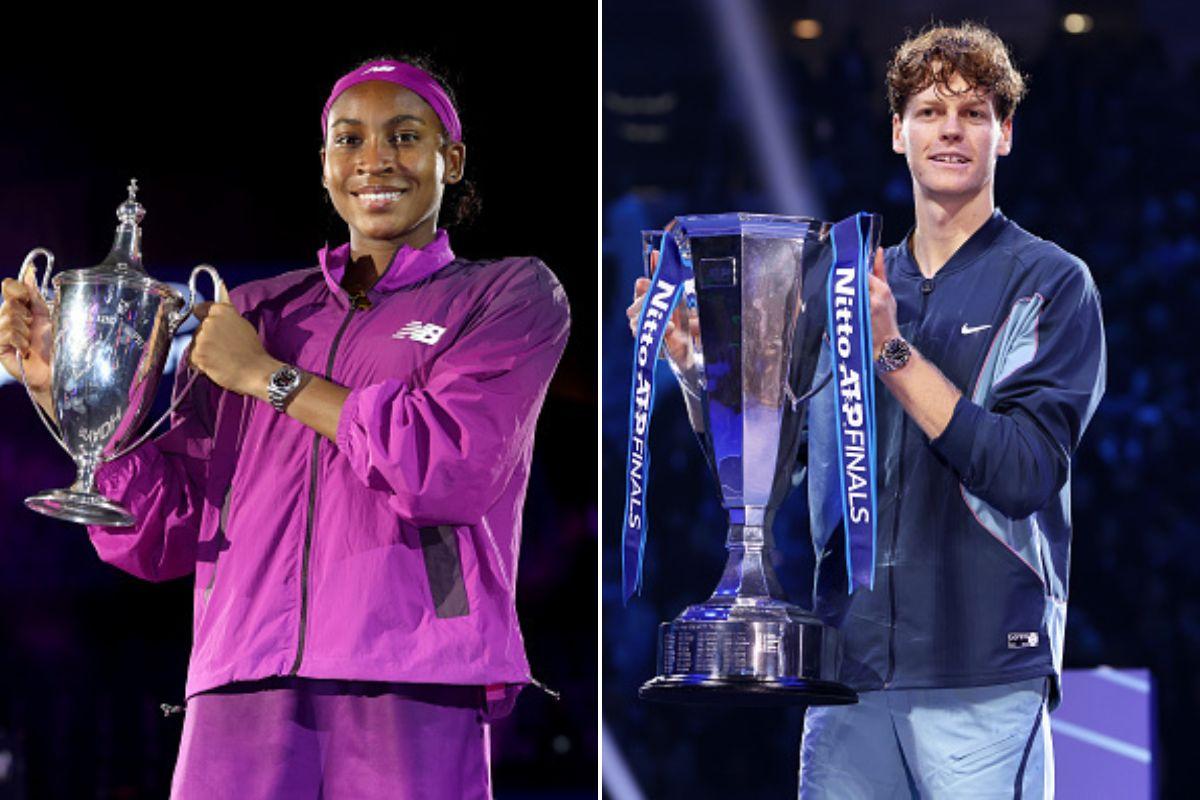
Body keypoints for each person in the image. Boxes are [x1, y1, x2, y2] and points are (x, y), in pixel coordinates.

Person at [0, 55, 570, 799]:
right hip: (239, 677)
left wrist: (269, 377)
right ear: (326, 164)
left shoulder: (506, 294)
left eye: (404, 136)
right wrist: (63, 392)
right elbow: (164, 531)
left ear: (450, 159)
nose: (375, 161)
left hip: (411, 674)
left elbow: (445, 469)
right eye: (349, 139)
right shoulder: (258, 311)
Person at [628, 22, 1104, 799]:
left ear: (1005, 135)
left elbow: (1023, 473)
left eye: (975, 112)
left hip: (980, 672)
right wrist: (695, 368)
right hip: (848, 673)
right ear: (897, 131)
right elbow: (790, 458)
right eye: (928, 111)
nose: (950, 128)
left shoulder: (1050, 283)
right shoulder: (836, 282)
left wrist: (891, 352)